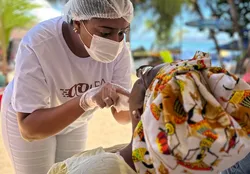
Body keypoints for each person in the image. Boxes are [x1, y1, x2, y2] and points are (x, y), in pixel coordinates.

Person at [49, 51, 250, 174]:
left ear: (139, 112)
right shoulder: (186, 163)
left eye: (145, 75)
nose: (139, 75)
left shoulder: (102, 169)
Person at [1, 0, 134, 173]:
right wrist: (86, 100)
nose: (116, 41)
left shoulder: (119, 49)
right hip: (33, 116)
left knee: (70, 170)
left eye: (122, 32)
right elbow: (29, 129)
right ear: (78, 23)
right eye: (105, 33)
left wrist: (137, 100)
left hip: (75, 120)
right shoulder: (40, 42)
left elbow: (121, 115)